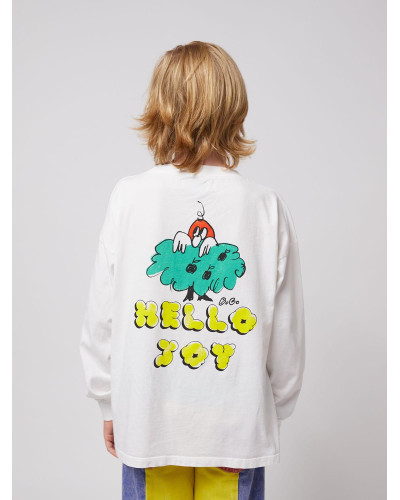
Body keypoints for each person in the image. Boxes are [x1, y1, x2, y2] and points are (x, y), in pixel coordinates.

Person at [80, 41, 306, 500]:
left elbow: (102, 314)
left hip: (149, 418)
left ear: (159, 108)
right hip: (234, 422)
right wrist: (272, 409)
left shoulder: (130, 197)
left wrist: (108, 400)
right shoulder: (264, 206)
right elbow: (287, 332)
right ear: (234, 108)